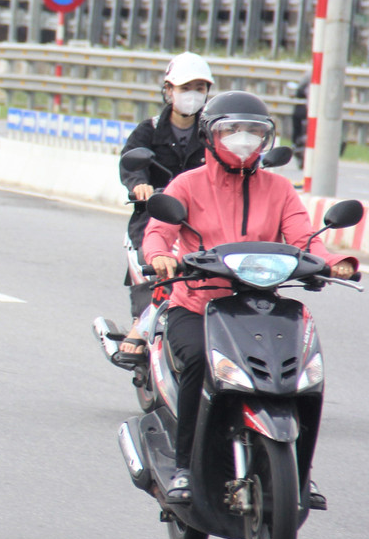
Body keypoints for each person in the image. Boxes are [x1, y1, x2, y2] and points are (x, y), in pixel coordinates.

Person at [142, 91, 357, 504]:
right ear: (210, 136)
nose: (243, 139)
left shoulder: (278, 188)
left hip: (259, 306)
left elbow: (302, 238)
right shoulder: (187, 184)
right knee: (200, 363)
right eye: (232, 130)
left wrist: (333, 262)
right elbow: (159, 232)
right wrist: (160, 258)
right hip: (198, 306)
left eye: (254, 131)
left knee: (305, 374)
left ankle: (299, 471)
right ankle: (184, 468)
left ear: (267, 139)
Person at [116, 52, 213, 352]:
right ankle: (141, 321)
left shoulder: (213, 132)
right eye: (185, 88)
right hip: (155, 215)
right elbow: (130, 163)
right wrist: (140, 185)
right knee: (151, 259)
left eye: (199, 88)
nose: (192, 95)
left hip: (200, 218)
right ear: (169, 90)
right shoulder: (148, 129)